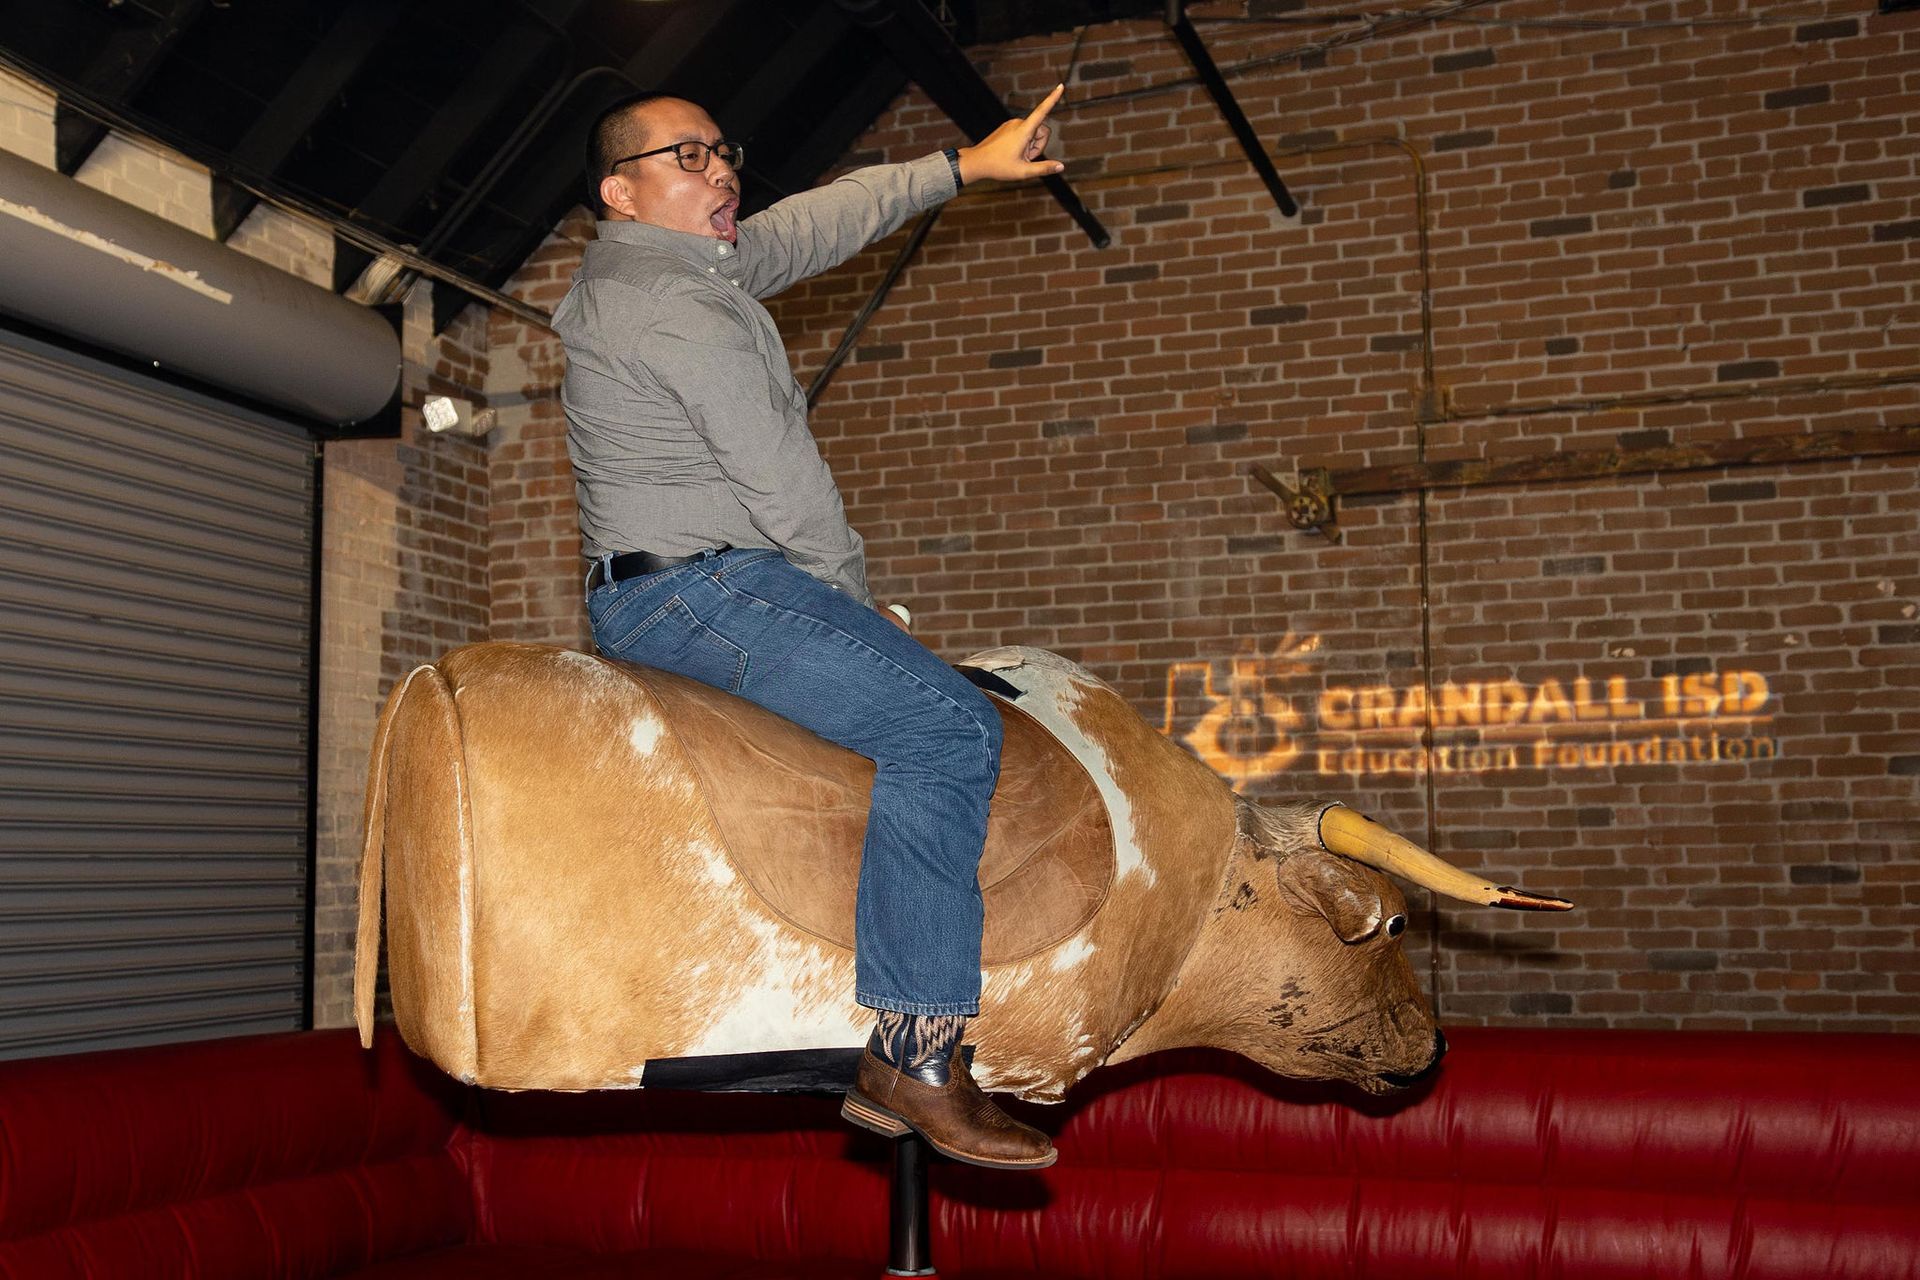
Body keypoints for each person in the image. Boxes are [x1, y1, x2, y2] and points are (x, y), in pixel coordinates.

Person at [553, 87, 1068, 1170]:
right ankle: (916, 1053)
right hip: (698, 589)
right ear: (621, 191)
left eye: (723, 149)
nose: (720, 168)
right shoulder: (674, 305)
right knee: (949, 731)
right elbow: (782, 478)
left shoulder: (690, 266)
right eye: (685, 156)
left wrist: (959, 168)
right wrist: (848, 593)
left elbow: (814, 222)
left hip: (678, 581)